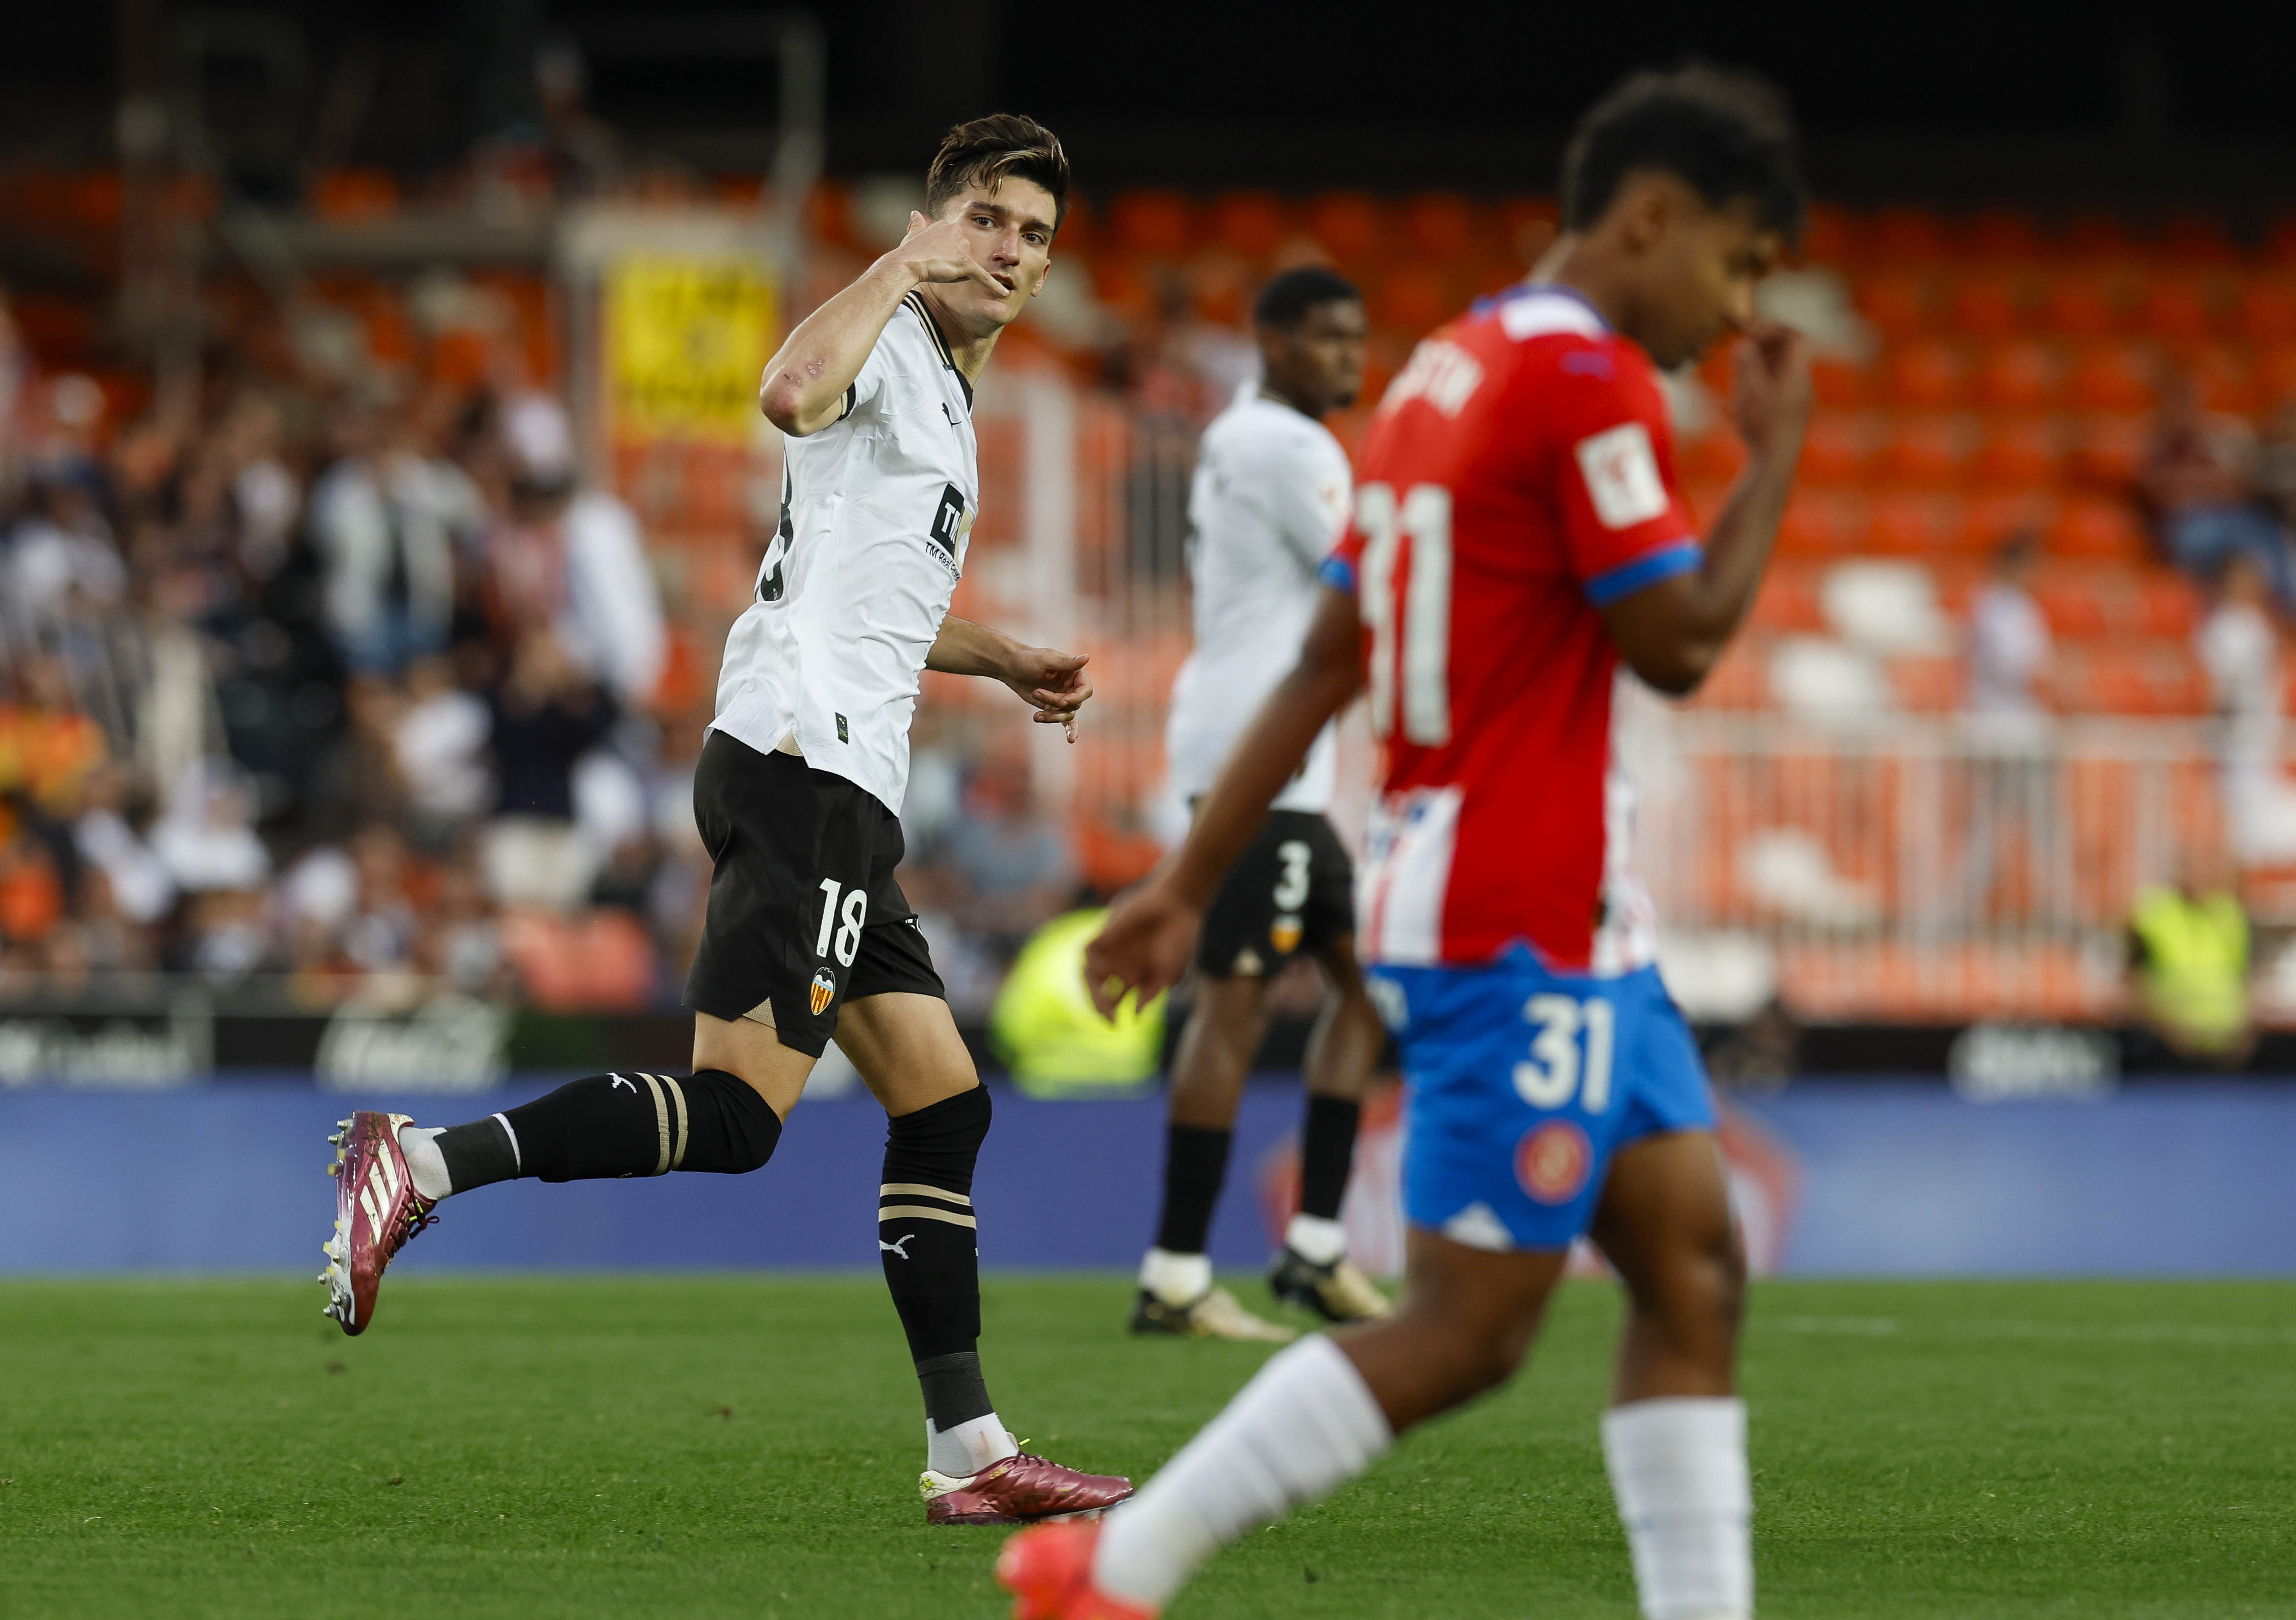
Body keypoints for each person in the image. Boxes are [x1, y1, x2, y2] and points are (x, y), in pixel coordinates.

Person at [1000, 66, 1809, 1620]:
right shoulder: (1585, 380)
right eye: (1736, 260)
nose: (1735, 309)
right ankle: (1112, 1567)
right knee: (1469, 1327)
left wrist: (1178, 885)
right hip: (1517, 910)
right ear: (1651, 216)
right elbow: (1678, 640)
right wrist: (1768, 449)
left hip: (1565, 913)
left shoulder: (1446, 368)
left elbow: (1326, 655)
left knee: (1691, 1267)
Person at [319, 114, 1129, 1530]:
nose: (1009, 252)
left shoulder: (943, 391)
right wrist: (899, 259)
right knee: (742, 1114)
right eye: (987, 221)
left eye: (1033, 237)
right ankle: (422, 1160)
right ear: (939, 222)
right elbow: (785, 393)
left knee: (942, 1099)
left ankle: (969, 1448)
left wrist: (1002, 659)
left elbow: (864, 591)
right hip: (804, 769)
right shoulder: (885, 336)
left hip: (843, 784)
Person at [1133, 266, 1390, 1345]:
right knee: (1235, 1004)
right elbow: (1371, 576)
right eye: (1328, 338)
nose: (1348, 357)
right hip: (1258, 756)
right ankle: (1177, 1274)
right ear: (1272, 340)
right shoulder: (1285, 447)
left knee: (1368, 987)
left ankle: (1315, 1248)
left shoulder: (1251, 436)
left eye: (1356, 337)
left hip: (1273, 758)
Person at [1954, 530, 2060, 928]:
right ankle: (2055, 911)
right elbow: (2022, 672)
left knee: (1997, 828)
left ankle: (1963, 908)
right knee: (2029, 828)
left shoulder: (1996, 606)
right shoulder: (2003, 608)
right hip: (2009, 735)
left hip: (2006, 732)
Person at [2125, 846, 2254, 1067]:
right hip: (2167, 1050)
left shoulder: (2229, 914)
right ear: (2179, 870)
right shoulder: (2151, 914)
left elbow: (2242, 979)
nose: (2200, 875)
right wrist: (2166, 1030)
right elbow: (2132, 981)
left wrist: (2246, 1032)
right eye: (2193, 867)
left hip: (2226, 1049)